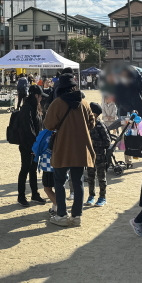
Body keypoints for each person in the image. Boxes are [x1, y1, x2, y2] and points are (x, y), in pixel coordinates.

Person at [43, 73, 95, 228]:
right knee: (78, 182)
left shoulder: (57, 103)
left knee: (59, 182)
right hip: (80, 147)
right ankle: (77, 215)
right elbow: (92, 123)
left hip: (63, 147)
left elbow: (49, 125)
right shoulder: (84, 103)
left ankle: (62, 215)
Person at [16, 85, 47, 207]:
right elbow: (28, 130)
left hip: (35, 144)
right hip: (27, 145)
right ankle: (21, 196)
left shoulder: (35, 107)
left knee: (33, 170)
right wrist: (33, 146)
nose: (41, 99)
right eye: (40, 96)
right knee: (25, 169)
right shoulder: (27, 108)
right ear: (36, 95)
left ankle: (35, 193)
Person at [86, 102, 111, 207]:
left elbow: (108, 142)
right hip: (89, 156)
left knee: (101, 177)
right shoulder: (86, 124)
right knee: (90, 177)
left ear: (95, 114)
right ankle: (91, 196)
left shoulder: (100, 125)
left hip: (100, 156)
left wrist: (93, 142)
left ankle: (102, 197)